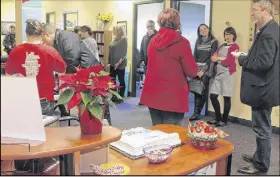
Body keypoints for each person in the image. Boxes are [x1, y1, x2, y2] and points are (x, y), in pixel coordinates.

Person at [236, 0, 279, 174]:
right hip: (265, 86)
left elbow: (264, 62)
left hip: (263, 89)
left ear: (266, 11)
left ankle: (261, 165)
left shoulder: (269, 33)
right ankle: (259, 156)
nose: (252, 13)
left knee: (262, 129)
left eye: (255, 10)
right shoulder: (272, 29)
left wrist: (242, 59)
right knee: (262, 126)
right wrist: (248, 56)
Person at [140, 8, 198, 126]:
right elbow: (191, 71)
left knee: (157, 132)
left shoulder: (152, 41)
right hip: (173, 96)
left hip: (153, 93)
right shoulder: (182, 42)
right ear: (177, 23)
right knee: (172, 137)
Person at [5, 19, 67, 116]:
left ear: (26, 33)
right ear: (42, 34)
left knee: (24, 128)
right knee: (45, 130)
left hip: (22, 99)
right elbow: (62, 70)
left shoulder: (15, 52)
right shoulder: (51, 51)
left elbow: (9, 76)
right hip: (45, 99)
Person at [42, 23, 99, 117]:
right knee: (84, 106)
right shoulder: (58, 40)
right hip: (82, 72)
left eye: (44, 41)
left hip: (89, 71)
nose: (44, 44)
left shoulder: (65, 37)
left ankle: (100, 127)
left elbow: (73, 57)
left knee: (93, 105)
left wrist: (64, 74)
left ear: (47, 35)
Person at [206, 27, 239, 127]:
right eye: (226, 34)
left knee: (226, 97)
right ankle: (217, 118)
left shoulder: (235, 47)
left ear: (233, 35)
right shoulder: (222, 46)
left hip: (228, 74)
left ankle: (224, 121)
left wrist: (219, 59)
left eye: (229, 34)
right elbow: (212, 57)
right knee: (213, 96)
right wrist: (221, 58)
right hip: (219, 74)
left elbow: (228, 62)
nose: (227, 36)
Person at [189, 24, 218, 120]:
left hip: (207, 69)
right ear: (199, 32)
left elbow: (212, 57)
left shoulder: (213, 41)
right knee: (196, 90)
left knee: (202, 90)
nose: (203, 31)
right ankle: (195, 112)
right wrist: (196, 70)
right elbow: (195, 56)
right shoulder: (198, 41)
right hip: (197, 69)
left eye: (205, 29)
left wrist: (203, 71)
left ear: (208, 29)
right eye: (201, 30)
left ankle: (197, 112)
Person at [138, 20, 158, 105]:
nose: (149, 28)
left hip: (156, 64)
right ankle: (145, 99)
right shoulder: (144, 37)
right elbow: (142, 50)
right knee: (147, 83)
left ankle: (155, 100)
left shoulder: (158, 36)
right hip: (146, 64)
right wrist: (141, 60)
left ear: (154, 26)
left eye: (151, 26)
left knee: (155, 83)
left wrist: (151, 36)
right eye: (148, 26)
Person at [108, 25, 128, 103]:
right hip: (112, 64)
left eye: (114, 30)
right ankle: (114, 95)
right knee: (112, 81)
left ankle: (120, 96)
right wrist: (109, 62)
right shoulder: (115, 39)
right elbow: (111, 51)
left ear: (118, 30)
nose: (113, 32)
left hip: (120, 64)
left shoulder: (123, 39)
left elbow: (123, 52)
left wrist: (118, 63)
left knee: (121, 80)